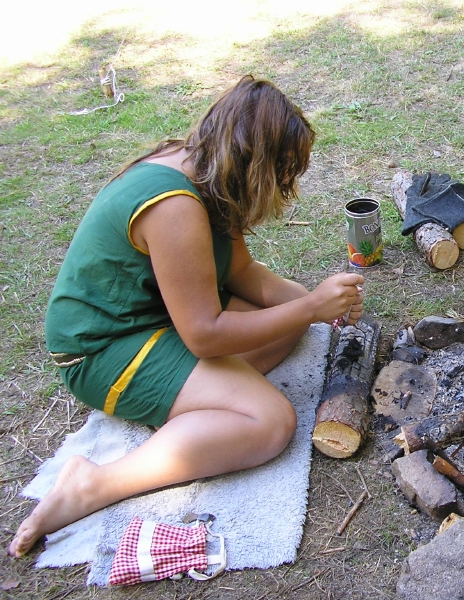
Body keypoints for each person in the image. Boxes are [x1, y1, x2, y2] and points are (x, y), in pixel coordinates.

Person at [8, 76, 364, 557]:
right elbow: (204, 334)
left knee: (288, 322)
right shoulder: (175, 206)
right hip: (103, 348)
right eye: (285, 172)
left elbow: (242, 271)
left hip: (160, 321)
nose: (289, 186)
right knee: (271, 423)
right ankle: (92, 484)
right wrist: (309, 306)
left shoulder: (212, 172)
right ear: (256, 162)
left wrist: (309, 306)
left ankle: (194, 409)